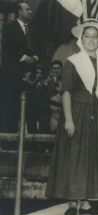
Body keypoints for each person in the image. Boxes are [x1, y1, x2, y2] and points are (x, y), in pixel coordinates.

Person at [45, 19, 98, 215]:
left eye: (95, 36)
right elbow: (66, 92)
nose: (91, 40)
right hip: (77, 112)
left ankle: (88, 202)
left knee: (95, 156)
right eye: (87, 36)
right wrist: (68, 119)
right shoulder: (73, 62)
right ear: (80, 39)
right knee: (75, 157)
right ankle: (73, 202)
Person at [1, 3, 38, 148]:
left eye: (30, 9)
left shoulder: (33, 30)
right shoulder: (9, 28)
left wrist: (35, 57)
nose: (30, 11)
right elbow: (9, 47)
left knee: (31, 111)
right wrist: (24, 57)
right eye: (27, 9)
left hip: (30, 78)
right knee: (12, 111)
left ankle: (32, 147)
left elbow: (36, 48)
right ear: (19, 12)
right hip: (13, 79)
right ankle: (8, 146)